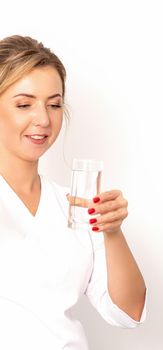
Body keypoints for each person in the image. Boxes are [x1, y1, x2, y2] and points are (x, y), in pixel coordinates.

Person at [0, 35, 146, 350]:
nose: (43, 119)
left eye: (54, 104)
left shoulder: (74, 206)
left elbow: (128, 311)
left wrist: (113, 232)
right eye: (24, 104)